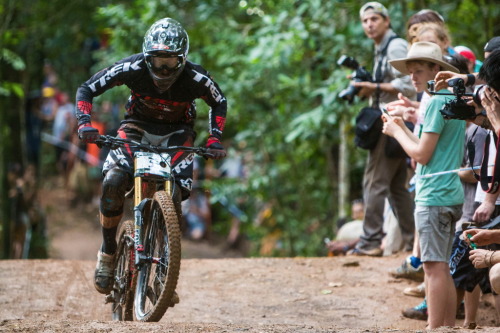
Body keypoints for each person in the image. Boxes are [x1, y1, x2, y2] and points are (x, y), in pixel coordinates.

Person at [74, 18, 228, 295]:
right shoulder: (133, 68)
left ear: (183, 60)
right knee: (113, 182)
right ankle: (108, 253)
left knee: (177, 195)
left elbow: (219, 101)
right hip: (136, 129)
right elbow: (87, 88)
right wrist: (84, 123)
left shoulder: (195, 78)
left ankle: (166, 266)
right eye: (157, 62)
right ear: (147, 58)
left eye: (170, 63)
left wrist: (215, 138)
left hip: (178, 133)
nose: (163, 69)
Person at [382, 41, 463, 329]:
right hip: (448, 191)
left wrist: (394, 132)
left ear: (436, 69)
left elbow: (421, 155)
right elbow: (429, 149)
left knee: (434, 267)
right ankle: (446, 326)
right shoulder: (447, 99)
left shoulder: (437, 101)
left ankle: (434, 327)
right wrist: (403, 127)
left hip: (435, 195)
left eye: (418, 70)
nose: (413, 77)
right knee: (441, 266)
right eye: (410, 71)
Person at [348, 2, 416, 257]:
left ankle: (369, 241)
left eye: (374, 19)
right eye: (365, 21)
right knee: (397, 187)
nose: (369, 24)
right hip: (392, 121)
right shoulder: (380, 47)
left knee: (374, 182)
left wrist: (374, 88)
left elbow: (408, 85)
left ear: (386, 21)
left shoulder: (395, 45)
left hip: (391, 120)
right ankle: (411, 241)